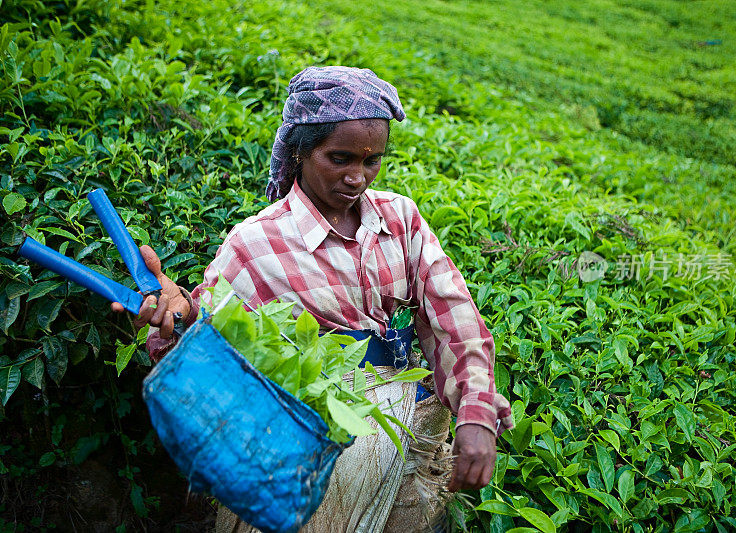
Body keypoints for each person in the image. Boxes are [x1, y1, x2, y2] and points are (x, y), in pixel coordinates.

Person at [113, 66, 513, 532]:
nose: (357, 177)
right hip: (309, 456)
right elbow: (209, 341)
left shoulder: (401, 219)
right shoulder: (256, 244)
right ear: (301, 150)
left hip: (409, 433)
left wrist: (476, 413)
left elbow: (455, 319)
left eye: (371, 161)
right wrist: (175, 316)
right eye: (339, 158)